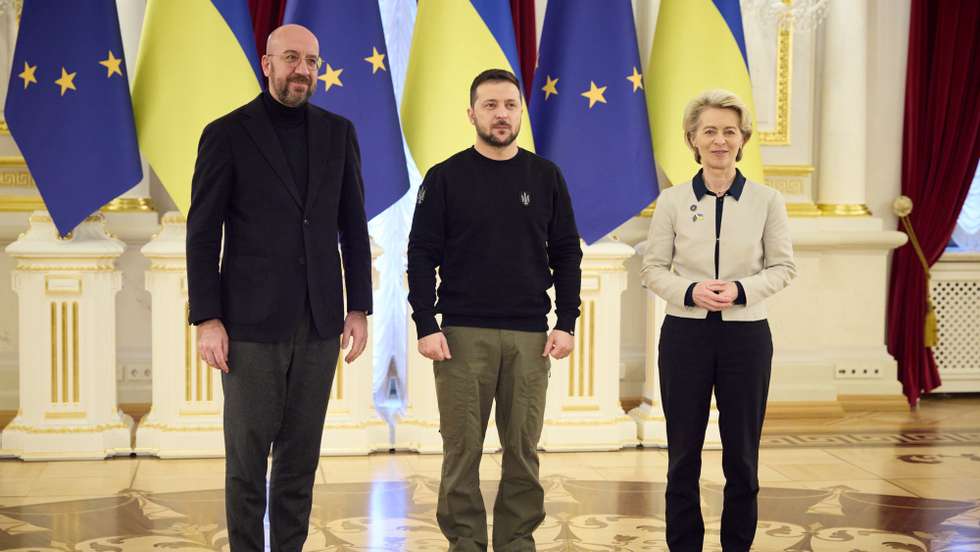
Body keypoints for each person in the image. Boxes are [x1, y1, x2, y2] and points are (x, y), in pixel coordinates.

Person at [186, 24, 372, 551]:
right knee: (247, 462)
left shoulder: (339, 132)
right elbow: (202, 233)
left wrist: (358, 306)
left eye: (312, 60)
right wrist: (207, 318)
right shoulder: (226, 133)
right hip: (248, 325)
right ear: (266, 64)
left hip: (320, 322)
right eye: (291, 58)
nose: (303, 70)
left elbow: (352, 227)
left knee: (300, 459)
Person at [407, 68, 583, 552]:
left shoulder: (546, 176)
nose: (501, 114)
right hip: (462, 336)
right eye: (490, 105)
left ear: (521, 113)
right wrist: (426, 323)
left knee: (523, 453)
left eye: (510, 105)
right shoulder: (444, 178)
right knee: (461, 452)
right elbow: (420, 253)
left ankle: (515, 542)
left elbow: (567, 251)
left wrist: (566, 321)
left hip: (530, 337)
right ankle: (465, 541)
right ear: (471, 113)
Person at [641, 89, 797, 551]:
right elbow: (651, 268)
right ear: (692, 139)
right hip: (684, 335)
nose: (719, 140)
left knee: (743, 456)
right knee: (683, 455)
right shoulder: (670, 201)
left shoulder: (767, 201)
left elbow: (783, 267)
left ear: (743, 139)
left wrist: (740, 290)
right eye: (709, 131)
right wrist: (690, 291)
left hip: (747, 337)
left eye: (729, 131)